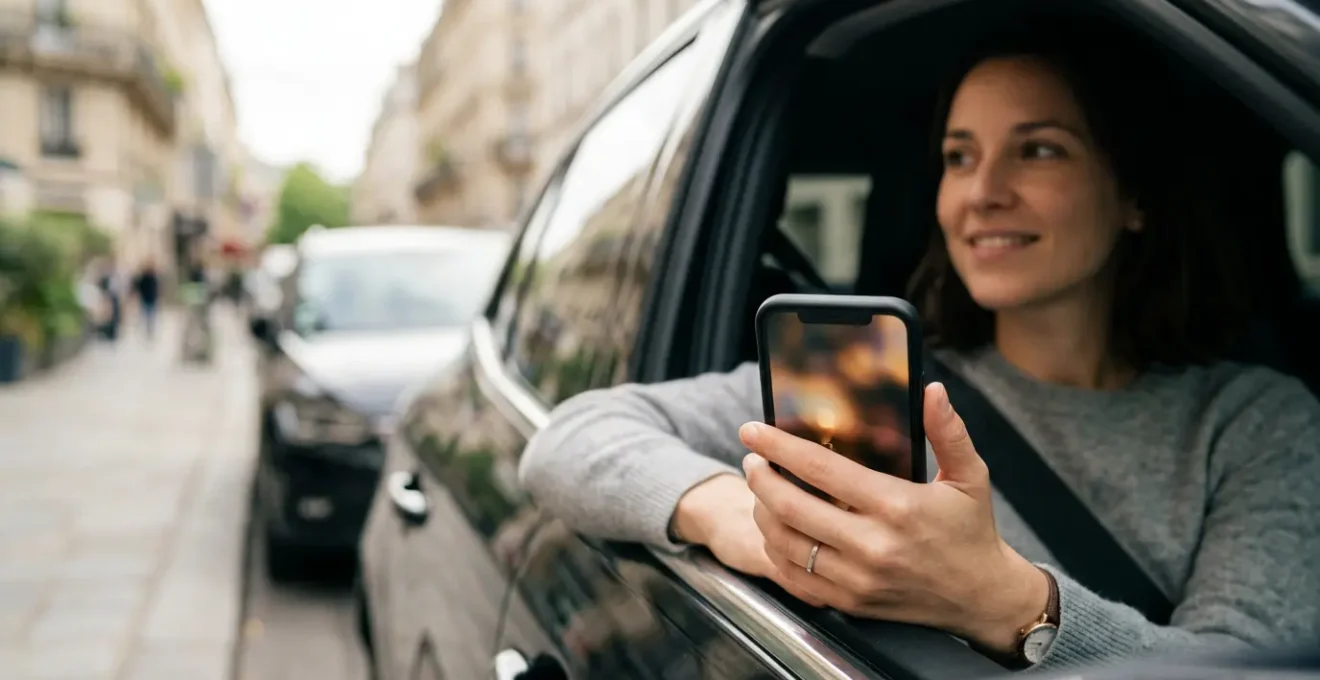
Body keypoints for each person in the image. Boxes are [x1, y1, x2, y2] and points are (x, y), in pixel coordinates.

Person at [517, 29, 1320, 671]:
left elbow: (1245, 668)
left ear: (1135, 195)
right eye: (958, 157)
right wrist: (734, 516)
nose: (981, 192)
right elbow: (571, 439)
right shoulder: (870, 378)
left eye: (1037, 149)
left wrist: (1007, 602)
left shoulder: (1261, 424)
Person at [131, 260, 161, 341]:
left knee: (151, 317)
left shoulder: (154, 278)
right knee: (144, 317)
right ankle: (145, 332)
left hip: (152, 299)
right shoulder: (144, 278)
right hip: (145, 299)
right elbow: (139, 287)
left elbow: (156, 288)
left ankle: (150, 331)